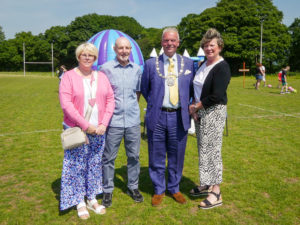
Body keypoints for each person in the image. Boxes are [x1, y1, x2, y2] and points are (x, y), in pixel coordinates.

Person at [59, 42, 115, 219]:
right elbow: (66, 105)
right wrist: (86, 125)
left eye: (91, 55)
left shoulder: (102, 76)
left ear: (95, 58)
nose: (87, 57)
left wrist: (103, 124)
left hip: (99, 130)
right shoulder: (68, 76)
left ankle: (91, 197)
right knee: (76, 166)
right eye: (84, 54)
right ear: (78, 56)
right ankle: (79, 201)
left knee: (94, 165)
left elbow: (110, 100)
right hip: (78, 130)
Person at [141, 27, 194, 206]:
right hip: (158, 115)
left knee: (177, 155)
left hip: (179, 117)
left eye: (173, 40)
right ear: (162, 43)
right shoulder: (150, 64)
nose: (169, 43)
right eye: (166, 40)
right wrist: (157, 103)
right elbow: (146, 89)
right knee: (156, 153)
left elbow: (192, 90)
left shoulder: (188, 63)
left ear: (178, 43)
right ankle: (158, 189)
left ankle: (174, 188)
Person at [189, 28, 231, 209]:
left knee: (212, 151)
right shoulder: (203, 65)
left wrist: (196, 106)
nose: (208, 49)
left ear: (219, 46)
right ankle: (206, 184)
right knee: (203, 149)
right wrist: (195, 109)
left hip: (213, 112)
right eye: (205, 46)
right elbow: (197, 89)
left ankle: (216, 192)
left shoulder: (222, 67)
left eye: (212, 45)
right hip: (200, 112)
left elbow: (217, 94)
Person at [100, 37, 143, 208]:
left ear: (130, 49)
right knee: (109, 158)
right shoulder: (105, 69)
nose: (124, 51)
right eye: (120, 48)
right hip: (113, 122)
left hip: (132, 121)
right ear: (115, 49)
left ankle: (133, 187)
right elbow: (102, 95)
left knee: (134, 156)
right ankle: (107, 190)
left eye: (127, 48)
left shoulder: (137, 69)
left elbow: (137, 93)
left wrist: (130, 108)